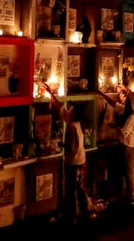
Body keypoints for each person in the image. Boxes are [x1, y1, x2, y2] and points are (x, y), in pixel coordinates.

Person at [43, 83, 90, 225]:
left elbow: (71, 147)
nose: (68, 109)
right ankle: (85, 211)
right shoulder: (79, 124)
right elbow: (60, 107)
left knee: (70, 191)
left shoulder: (71, 126)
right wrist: (50, 93)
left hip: (73, 163)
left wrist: (59, 144)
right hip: (81, 161)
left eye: (71, 109)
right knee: (80, 188)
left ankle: (71, 216)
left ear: (73, 113)